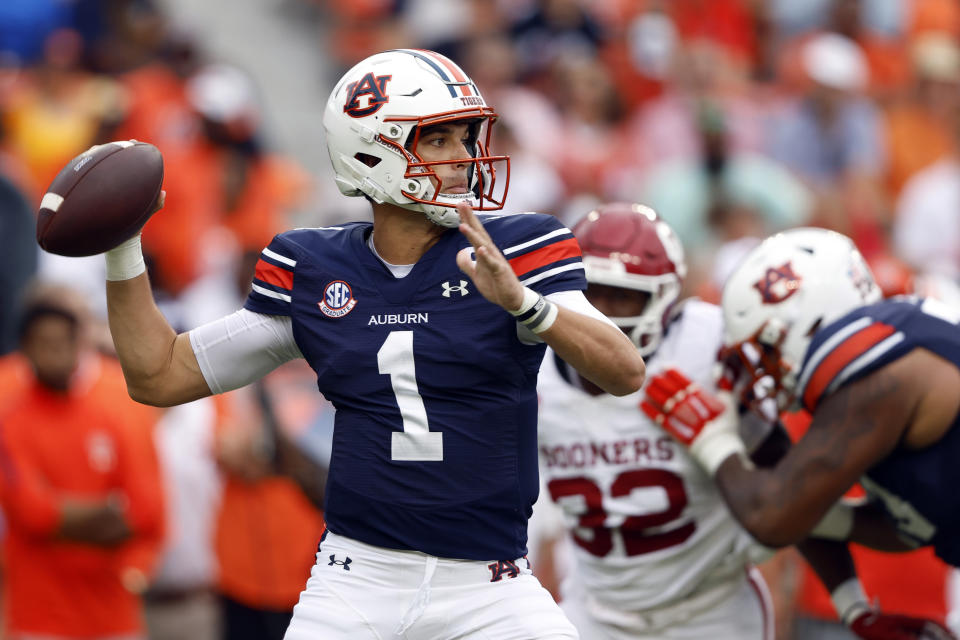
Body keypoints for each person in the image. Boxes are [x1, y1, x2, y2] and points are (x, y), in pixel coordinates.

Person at [99, 48, 645, 639]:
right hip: (355, 581)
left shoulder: (517, 248)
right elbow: (160, 376)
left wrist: (524, 304)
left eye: (468, 137)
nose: (466, 158)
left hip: (491, 585)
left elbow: (624, 371)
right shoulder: (312, 267)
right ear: (372, 149)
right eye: (441, 140)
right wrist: (122, 246)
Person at [641, 227, 960, 638]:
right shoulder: (901, 343)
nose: (762, 374)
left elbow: (773, 516)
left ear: (806, 325)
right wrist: (854, 608)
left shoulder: (878, 370)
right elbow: (908, 525)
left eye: (765, 350)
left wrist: (711, 439)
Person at [535, 202, 775, 639]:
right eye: (594, 290)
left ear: (664, 297)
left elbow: (782, 484)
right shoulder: (534, 370)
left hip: (709, 609)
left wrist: (723, 441)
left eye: (624, 294)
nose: (605, 312)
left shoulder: (707, 348)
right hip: (594, 610)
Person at [0, 298, 164, 640]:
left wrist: (64, 520)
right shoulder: (11, 422)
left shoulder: (115, 413)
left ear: (80, 345)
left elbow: (144, 510)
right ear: (25, 350)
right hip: (39, 617)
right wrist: (108, 514)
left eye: (64, 343)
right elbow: (33, 513)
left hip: (113, 615)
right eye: (44, 344)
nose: (55, 355)